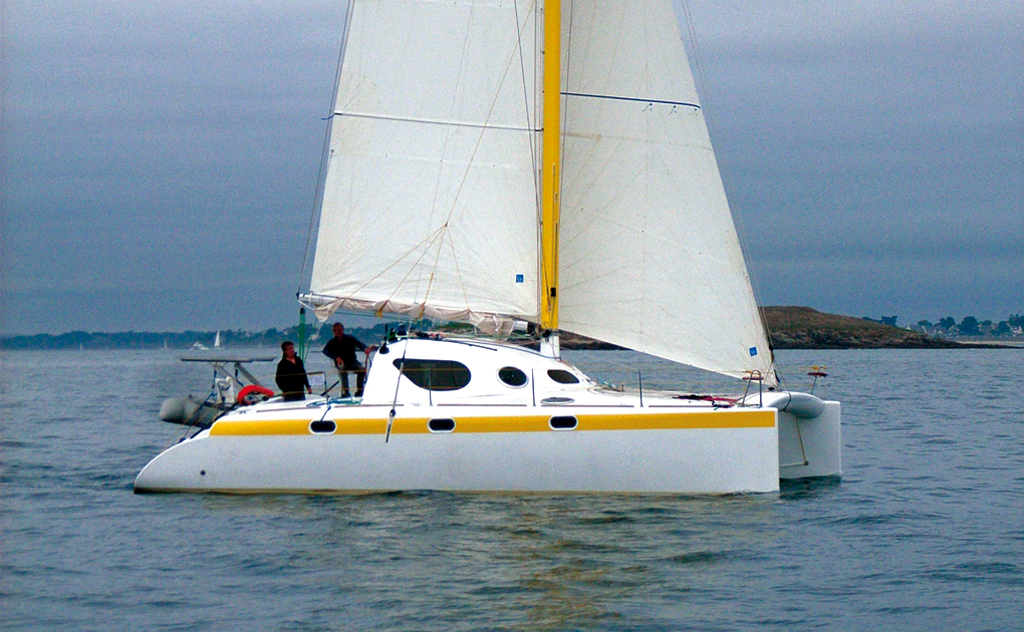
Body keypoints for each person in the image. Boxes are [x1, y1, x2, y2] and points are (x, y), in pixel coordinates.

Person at [322, 322, 373, 397]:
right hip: (341, 363)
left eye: (339, 329)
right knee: (343, 370)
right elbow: (325, 351)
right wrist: (336, 357)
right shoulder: (332, 342)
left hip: (352, 362)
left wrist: (365, 349)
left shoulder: (350, 338)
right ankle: (345, 392)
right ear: (333, 332)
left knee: (361, 370)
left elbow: (359, 344)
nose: (337, 331)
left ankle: (360, 391)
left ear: (342, 330)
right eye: (335, 330)